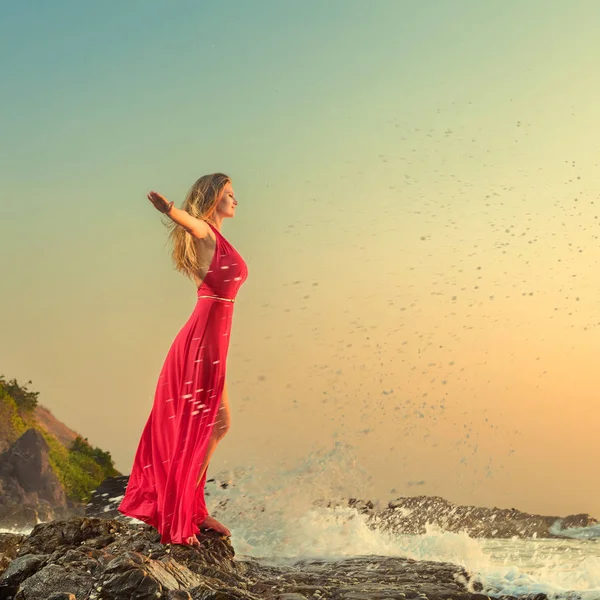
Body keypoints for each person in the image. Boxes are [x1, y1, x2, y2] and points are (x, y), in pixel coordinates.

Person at [118, 173, 248, 547]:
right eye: (229, 194)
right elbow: (192, 225)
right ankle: (179, 516)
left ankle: (193, 509)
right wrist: (171, 210)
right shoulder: (205, 231)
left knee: (219, 425)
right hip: (204, 341)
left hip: (210, 339)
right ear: (212, 199)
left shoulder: (219, 236)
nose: (236, 200)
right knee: (201, 426)